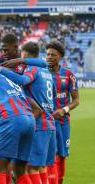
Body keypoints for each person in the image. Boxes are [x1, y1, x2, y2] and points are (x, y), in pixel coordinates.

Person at [0, 42, 56, 184]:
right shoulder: (47, 72)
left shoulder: (32, 69)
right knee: (39, 168)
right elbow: (53, 95)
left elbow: (22, 80)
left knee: (30, 169)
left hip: (37, 124)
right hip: (49, 124)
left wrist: (0, 70)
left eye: (21, 55)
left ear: (25, 55)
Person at [46, 41, 79, 184]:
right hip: (45, 121)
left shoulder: (68, 75)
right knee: (49, 156)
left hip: (62, 121)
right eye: (47, 54)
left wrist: (64, 109)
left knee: (62, 155)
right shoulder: (41, 73)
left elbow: (76, 99)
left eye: (53, 55)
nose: (49, 57)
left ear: (60, 57)